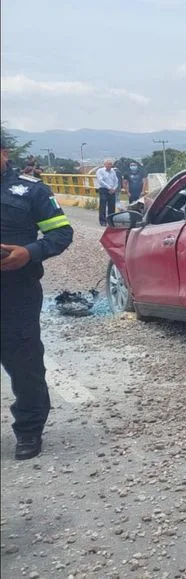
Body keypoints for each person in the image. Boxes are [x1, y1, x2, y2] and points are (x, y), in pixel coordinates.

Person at [1, 135, 73, 460]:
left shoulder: (31, 190)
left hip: (16, 293)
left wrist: (29, 253)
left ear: (3, 153)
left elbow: (61, 232)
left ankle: (29, 431)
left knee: (25, 365)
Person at [96, 159, 119, 226]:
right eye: (108, 164)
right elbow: (100, 181)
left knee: (112, 206)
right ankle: (103, 221)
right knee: (103, 206)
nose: (109, 165)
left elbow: (116, 181)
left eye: (110, 164)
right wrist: (109, 188)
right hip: (104, 189)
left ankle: (111, 220)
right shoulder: (100, 171)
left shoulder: (113, 171)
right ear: (104, 164)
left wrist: (114, 188)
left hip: (112, 190)